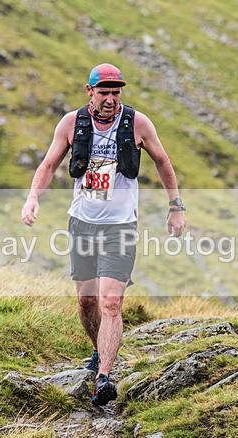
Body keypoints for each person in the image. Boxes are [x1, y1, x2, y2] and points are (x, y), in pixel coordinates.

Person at [21, 63, 186, 406]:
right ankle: (98, 351)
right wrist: (33, 196)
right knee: (86, 301)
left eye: (116, 93)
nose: (111, 99)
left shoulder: (138, 123)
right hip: (82, 222)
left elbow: (163, 162)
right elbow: (49, 164)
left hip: (121, 226)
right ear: (90, 92)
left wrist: (176, 207)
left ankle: (104, 378)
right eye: (104, 93)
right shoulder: (71, 123)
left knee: (111, 301)